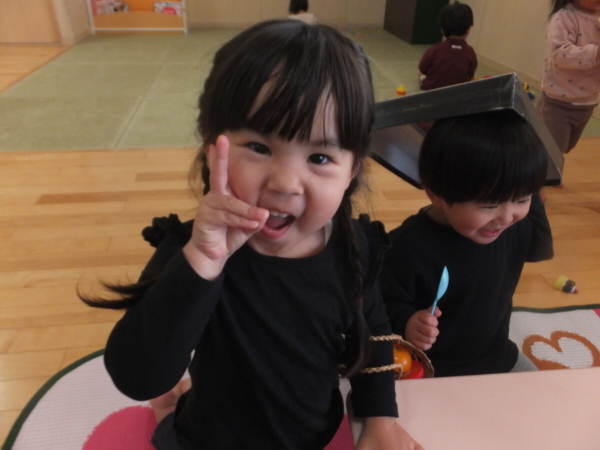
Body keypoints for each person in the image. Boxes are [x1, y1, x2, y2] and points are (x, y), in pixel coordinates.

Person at [81, 20, 423, 450]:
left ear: (353, 167)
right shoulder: (191, 249)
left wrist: (380, 421)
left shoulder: (355, 248)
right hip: (209, 440)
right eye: (259, 148)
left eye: (319, 156)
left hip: (316, 436)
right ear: (212, 147)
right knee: (168, 412)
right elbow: (136, 376)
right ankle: (170, 408)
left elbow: (373, 336)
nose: (285, 183)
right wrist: (202, 263)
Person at [381, 110, 554, 378]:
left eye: (521, 199)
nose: (507, 217)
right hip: (433, 368)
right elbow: (380, 304)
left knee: (551, 393)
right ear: (436, 194)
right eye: (490, 205)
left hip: (496, 355)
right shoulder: (406, 247)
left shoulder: (514, 227)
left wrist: (526, 182)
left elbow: (539, 247)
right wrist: (407, 323)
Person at [537, 0, 600, 156]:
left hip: (588, 102)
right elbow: (559, 54)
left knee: (565, 147)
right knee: (551, 153)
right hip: (558, 103)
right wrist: (595, 54)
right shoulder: (564, 18)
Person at [418, 1, 477, 91]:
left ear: (442, 29)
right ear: (469, 29)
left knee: (420, 74)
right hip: (459, 92)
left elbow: (422, 68)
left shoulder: (434, 49)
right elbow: (470, 74)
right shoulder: (470, 52)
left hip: (432, 93)